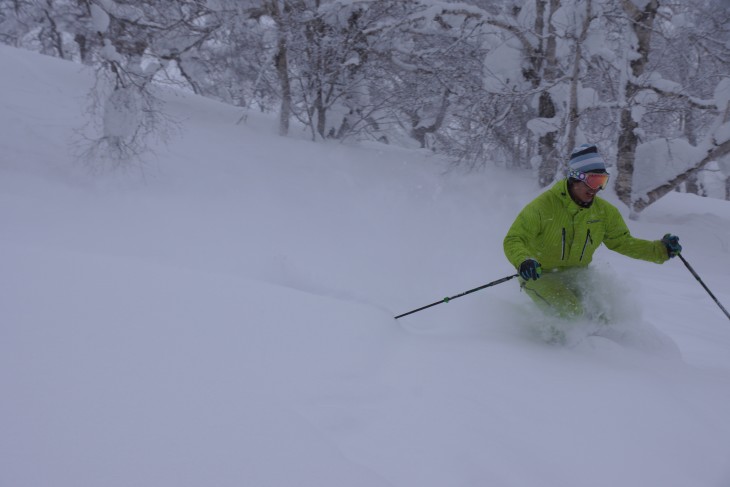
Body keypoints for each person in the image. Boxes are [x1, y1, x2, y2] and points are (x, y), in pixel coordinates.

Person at [503, 143, 682, 321]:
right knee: (572, 315)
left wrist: (661, 250)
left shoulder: (604, 212)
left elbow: (623, 242)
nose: (596, 188)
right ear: (575, 178)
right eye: (593, 180)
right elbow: (514, 239)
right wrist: (524, 261)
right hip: (540, 275)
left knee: (605, 316)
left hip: (577, 276)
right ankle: (544, 347)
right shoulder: (543, 207)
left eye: (602, 181)